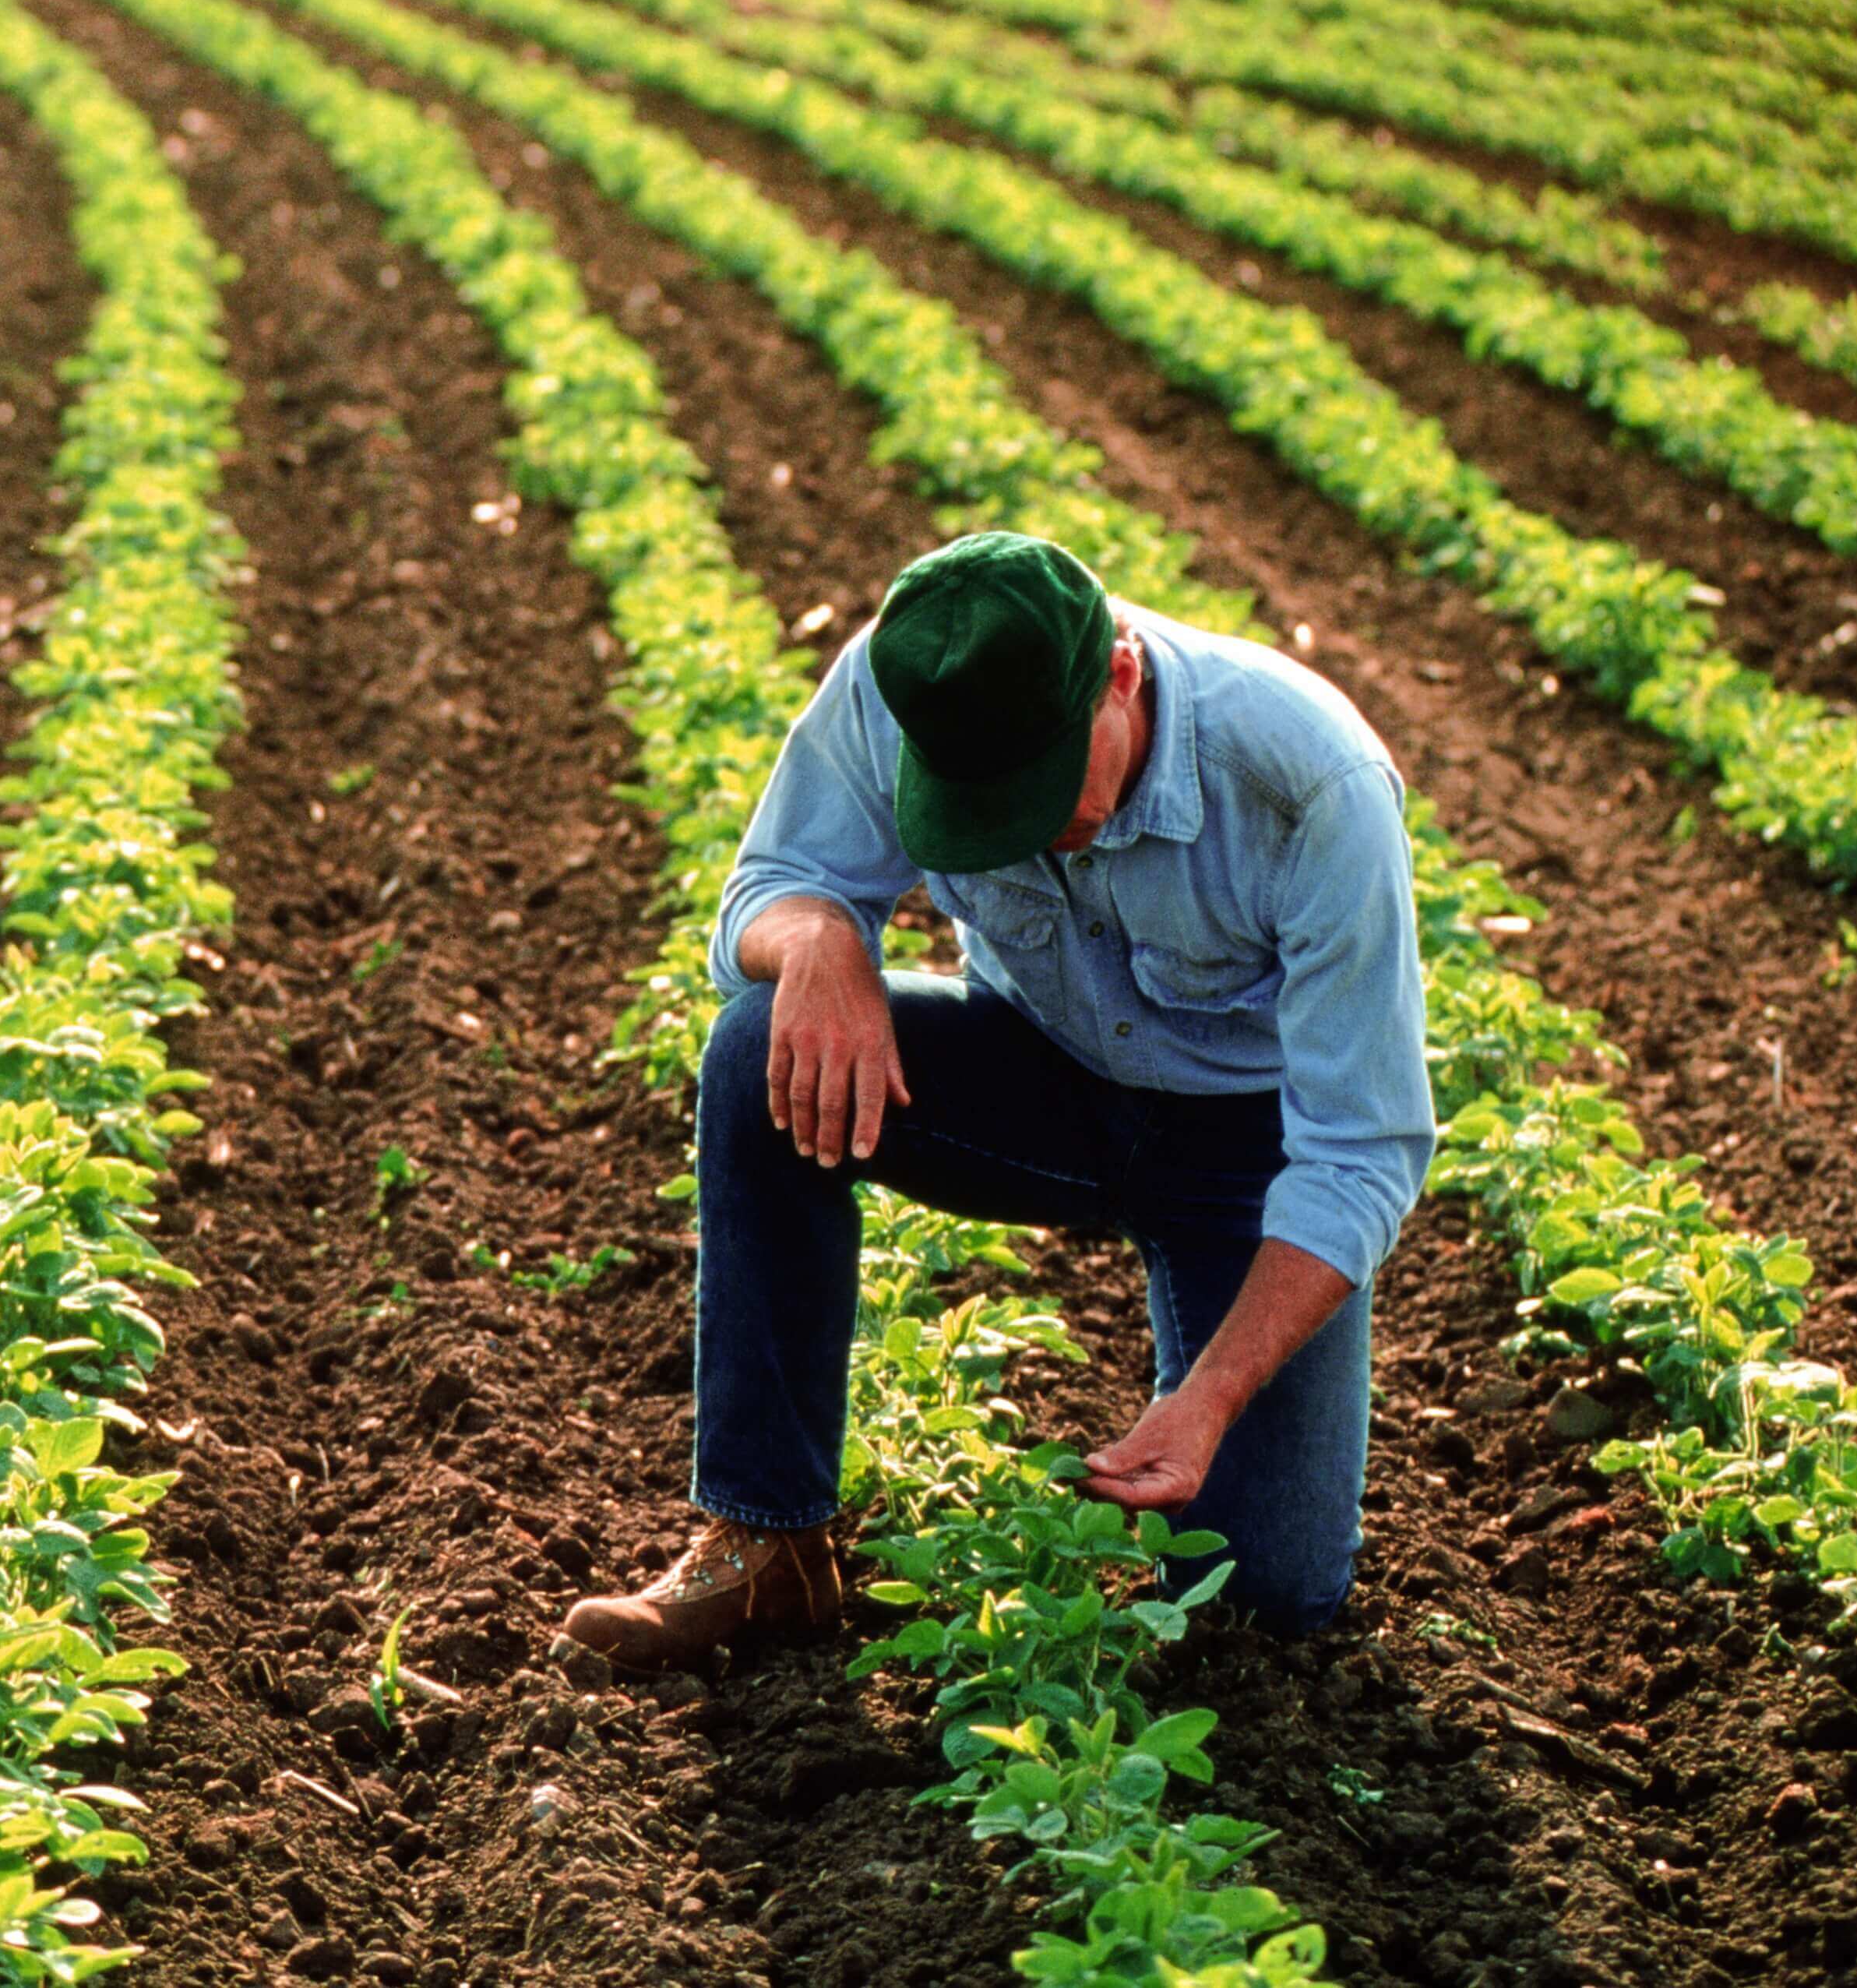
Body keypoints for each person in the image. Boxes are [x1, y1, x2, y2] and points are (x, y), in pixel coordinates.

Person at [562, 531, 1432, 1670]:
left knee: (1260, 1600)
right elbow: (769, 890)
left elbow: (1362, 1150)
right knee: (752, 1050)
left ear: (1119, 676)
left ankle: (1236, 1495)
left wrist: (1212, 1396)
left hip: (1245, 1150)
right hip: (1039, 1082)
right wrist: (821, 936)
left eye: (1043, 793)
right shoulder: (909, 683)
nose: (1022, 830)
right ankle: (764, 1542)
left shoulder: (1307, 783)